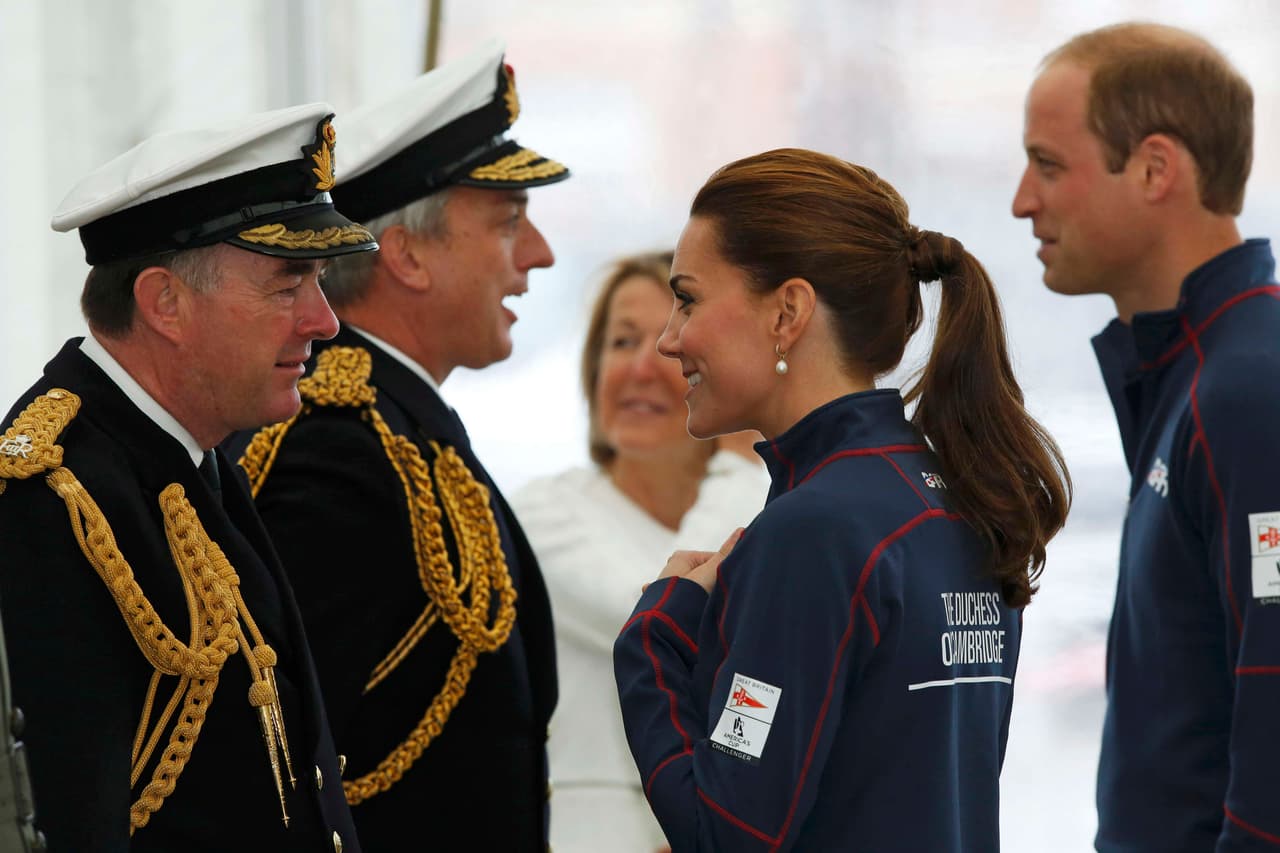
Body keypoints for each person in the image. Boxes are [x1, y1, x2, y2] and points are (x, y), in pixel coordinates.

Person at [612, 148, 1071, 852]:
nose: (672, 340)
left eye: (688, 298)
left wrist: (654, 633)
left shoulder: (814, 530)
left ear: (788, 311)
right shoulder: (956, 492)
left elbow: (723, 832)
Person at [0, 103, 379, 852]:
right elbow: (72, 814)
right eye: (286, 285)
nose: (325, 320)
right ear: (164, 303)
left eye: (321, 281)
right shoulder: (55, 497)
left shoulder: (187, 454)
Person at [231, 40, 566, 852]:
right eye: (508, 223)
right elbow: (278, 764)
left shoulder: (396, 427)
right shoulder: (344, 446)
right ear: (408, 254)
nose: (539, 256)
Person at [1012, 22, 1280, 851]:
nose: (1023, 200)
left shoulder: (1247, 391)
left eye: (1049, 165)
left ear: (1157, 169)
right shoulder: (1195, 376)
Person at [511, 251, 769, 853]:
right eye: (621, 341)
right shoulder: (542, 514)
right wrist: (737, 461)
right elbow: (660, 621)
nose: (640, 369)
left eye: (670, 346)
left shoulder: (771, 511)